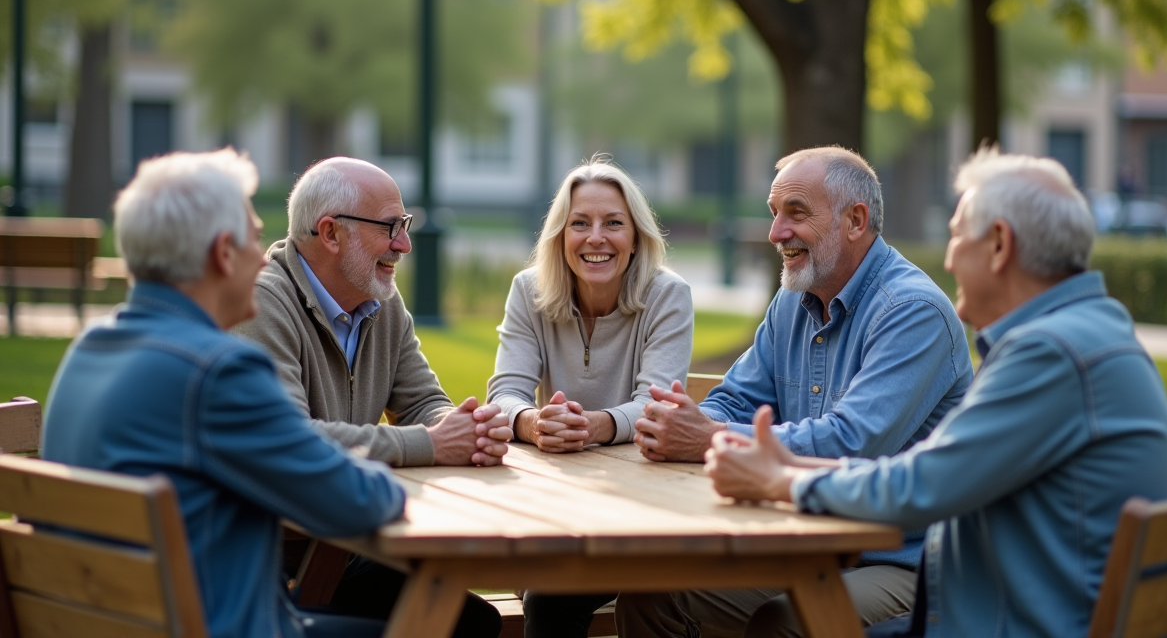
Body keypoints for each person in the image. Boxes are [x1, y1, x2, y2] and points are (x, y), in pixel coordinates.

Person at [705, 148, 1167, 638]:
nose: (950, 258)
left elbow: (922, 485)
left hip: (1009, 622)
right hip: (1015, 608)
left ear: (999, 245)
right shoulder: (1089, 333)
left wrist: (782, 481)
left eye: (957, 236)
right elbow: (933, 474)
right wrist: (783, 467)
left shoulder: (1050, 352)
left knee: (787, 626)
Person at [41, 150, 406, 638]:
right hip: (223, 626)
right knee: (449, 622)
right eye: (254, 238)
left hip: (111, 621)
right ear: (221, 253)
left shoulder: (88, 350)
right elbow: (359, 503)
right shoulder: (216, 374)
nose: (264, 257)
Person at [619, 146, 975, 637]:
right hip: (805, 546)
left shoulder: (912, 312)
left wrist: (708, 437)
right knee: (652, 594)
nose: (775, 232)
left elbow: (850, 443)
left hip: (907, 561)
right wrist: (689, 420)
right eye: (773, 213)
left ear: (855, 220)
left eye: (796, 213)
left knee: (785, 622)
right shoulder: (793, 301)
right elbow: (734, 398)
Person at [235, 156, 508, 636]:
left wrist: (468, 427)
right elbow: (291, 438)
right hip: (272, 565)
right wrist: (432, 443)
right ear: (331, 233)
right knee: (459, 625)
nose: (403, 244)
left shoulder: (379, 298)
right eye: (390, 227)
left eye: (403, 226)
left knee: (469, 620)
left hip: (342, 541)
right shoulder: (260, 303)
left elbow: (422, 403)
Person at [487, 155, 693, 638]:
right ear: (560, 237)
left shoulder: (668, 295)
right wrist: (533, 424)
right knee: (538, 591)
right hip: (553, 508)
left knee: (549, 597)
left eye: (613, 224)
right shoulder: (529, 290)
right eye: (579, 223)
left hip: (643, 511)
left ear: (637, 238)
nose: (595, 238)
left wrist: (594, 426)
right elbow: (505, 393)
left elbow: (657, 405)